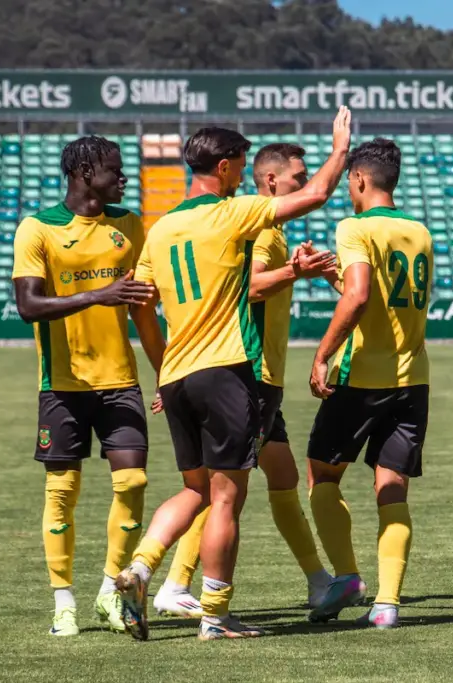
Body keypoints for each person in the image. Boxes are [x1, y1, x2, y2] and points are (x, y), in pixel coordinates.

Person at [115, 107, 353, 641]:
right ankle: (216, 617)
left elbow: (141, 308)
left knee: (196, 490)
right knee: (226, 499)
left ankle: (140, 570)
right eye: (240, 167)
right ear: (223, 168)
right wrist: (340, 150)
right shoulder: (231, 213)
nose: (244, 176)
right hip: (226, 372)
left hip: (176, 375)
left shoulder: (161, 228)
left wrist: (162, 369)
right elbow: (313, 196)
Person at [151, 143, 337, 619]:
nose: (300, 182)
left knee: (281, 475)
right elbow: (248, 287)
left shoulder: (189, 225)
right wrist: (296, 271)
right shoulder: (253, 225)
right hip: (246, 371)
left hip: (237, 371)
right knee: (224, 487)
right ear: (271, 182)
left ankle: (319, 582)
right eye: (296, 177)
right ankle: (177, 584)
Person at [11, 135, 156, 636]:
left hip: (121, 380)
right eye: (114, 170)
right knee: (62, 491)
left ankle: (108, 594)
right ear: (84, 171)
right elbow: (28, 305)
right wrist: (99, 294)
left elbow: (142, 305)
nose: (123, 178)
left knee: (133, 483)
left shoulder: (129, 224)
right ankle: (63, 601)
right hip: (63, 384)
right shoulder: (38, 228)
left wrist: (166, 369)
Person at [305, 137, 434, 629]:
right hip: (412, 378)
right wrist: (331, 278)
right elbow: (380, 294)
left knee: (321, 474)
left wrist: (323, 353)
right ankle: (388, 605)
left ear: (358, 179)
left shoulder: (354, 226)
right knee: (392, 489)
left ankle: (346, 576)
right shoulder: (419, 231)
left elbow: (359, 298)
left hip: (362, 377)